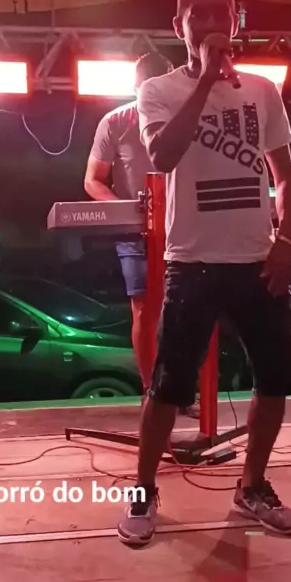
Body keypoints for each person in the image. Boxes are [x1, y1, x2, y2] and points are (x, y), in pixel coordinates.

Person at [117, 0, 291, 548]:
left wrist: (285, 241)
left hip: (257, 261)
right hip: (193, 261)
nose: (209, 22)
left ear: (235, 19)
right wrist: (204, 79)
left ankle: (252, 486)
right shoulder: (158, 91)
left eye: (220, 12)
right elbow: (163, 156)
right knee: (167, 386)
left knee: (274, 379)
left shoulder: (262, 91)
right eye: (196, 14)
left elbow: (286, 177)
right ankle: (144, 490)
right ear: (178, 25)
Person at [84, 52, 200, 418]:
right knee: (144, 309)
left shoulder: (187, 120)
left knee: (185, 308)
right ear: (136, 87)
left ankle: (181, 391)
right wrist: (126, 208)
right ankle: (153, 391)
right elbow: (92, 180)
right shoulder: (115, 121)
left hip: (184, 225)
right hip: (135, 231)